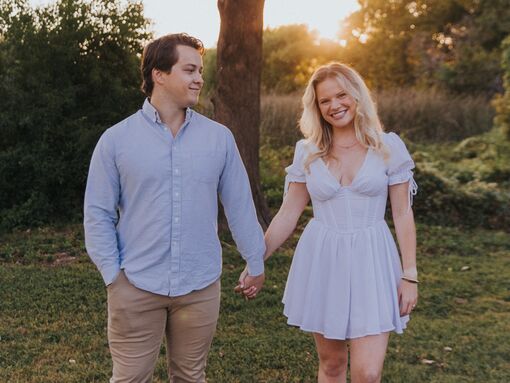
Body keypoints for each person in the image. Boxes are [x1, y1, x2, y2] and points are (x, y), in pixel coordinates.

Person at [84, 33, 265, 383]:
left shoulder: (219, 139)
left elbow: (240, 206)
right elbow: (98, 213)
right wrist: (113, 277)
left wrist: (254, 261)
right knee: (130, 379)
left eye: (200, 70)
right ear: (159, 74)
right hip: (135, 285)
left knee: (190, 377)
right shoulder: (116, 140)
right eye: (190, 69)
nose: (200, 78)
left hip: (200, 287)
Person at [239, 63, 418, 382]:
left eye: (341, 95)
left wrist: (410, 275)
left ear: (357, 95)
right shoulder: (307, 152)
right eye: (325, 101)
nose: (335, 105)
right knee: (332, 365)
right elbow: (287, 214)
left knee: (367, 373)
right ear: (317, 107)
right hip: (323, 260)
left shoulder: (387, 145)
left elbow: (403, 213)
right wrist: (257, 260)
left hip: (372, 258)